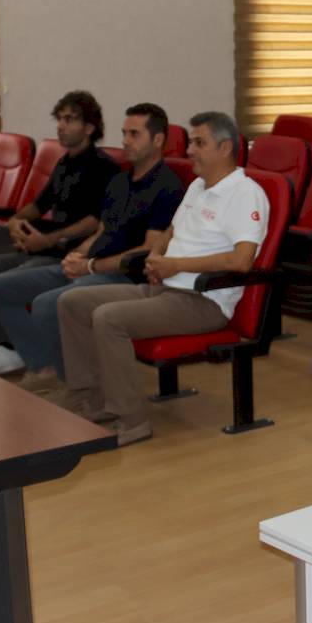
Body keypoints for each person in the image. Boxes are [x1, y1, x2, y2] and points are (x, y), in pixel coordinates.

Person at [56, 112, 269, 446]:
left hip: (203, 301)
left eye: (199, 143)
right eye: (191, 142)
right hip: (164, 289)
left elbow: (242, 261)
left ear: (225, 147)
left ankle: (132, 421)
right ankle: (90, 402)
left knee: (109, 318)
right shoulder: (198, 186)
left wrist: (175, 264)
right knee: (72, 302)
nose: (190, 150)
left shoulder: (245, 193)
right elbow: (171, 230)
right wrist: (156, 256)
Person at [0, 104, 183, 390]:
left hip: (125, 276)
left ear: (158, 140)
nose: (125, 141)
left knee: (47, 304)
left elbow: (147, 251)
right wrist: (75, 256)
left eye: (134, 134)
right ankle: (45, 366)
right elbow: (102, 231)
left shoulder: (168, 187)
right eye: (124, 133)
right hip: (92, 266)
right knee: (0, 288)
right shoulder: (120, 181)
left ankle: (78, 387)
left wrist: (90, 266)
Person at [0, 90, 117, 374]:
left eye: (69, 120)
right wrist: (16, 221)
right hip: (39, 249)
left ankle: (29, 355)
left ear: (89, 127)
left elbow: (95, 221)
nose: (61, 126)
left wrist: (48, 239)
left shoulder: (103, 167)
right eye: (59, 119)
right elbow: (38, 205)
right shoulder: (64, 163)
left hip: (64, 255)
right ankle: (7, 347)